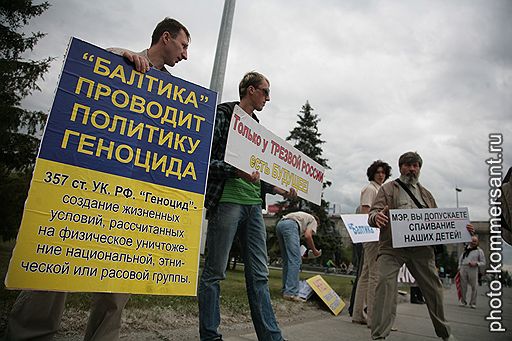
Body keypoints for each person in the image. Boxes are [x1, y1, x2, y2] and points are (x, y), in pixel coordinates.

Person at [4, 17, 190, 341]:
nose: (186, 55)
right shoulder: (120, 60)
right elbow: (87, 74)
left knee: (118, 281)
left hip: (133, 195)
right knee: (55, 263)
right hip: (89, 187)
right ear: (166, 38)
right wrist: (115, 54)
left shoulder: (174, 94)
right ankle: (27, 333)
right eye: (184, 45)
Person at [198, 71, 295, 341]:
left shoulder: (257, 127)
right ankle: (210, 336)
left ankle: (271, 337)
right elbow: (203, 157)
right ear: (250, 90)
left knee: (261, 275)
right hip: (227, 201)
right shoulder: (224, 114)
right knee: (214, 272)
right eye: (265, 91)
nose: (268, 97)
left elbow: (257, 172)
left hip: (254, 206)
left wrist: (276, 188)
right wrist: (234, 171)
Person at [368, 151, 475, 340]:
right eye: (407, 165)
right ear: (401, 167)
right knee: (384, 285)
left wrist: (463, 228)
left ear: (419, 169)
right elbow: (372, 214)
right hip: (392, 248)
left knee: (434, 289)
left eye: (415, 165)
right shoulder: (387, 189)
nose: (411, 169)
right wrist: (377, 217)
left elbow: (439, 223)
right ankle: (379, 335)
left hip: (421, 250)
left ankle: (445, 333)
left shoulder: (426, 195)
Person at [352, 160, 391, 326]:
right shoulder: (370, 189)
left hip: (373, 234)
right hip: (372, 234)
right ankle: (374, 318)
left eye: (383, 172)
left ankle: (358, 314)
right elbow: (366, 213)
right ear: (372, 174)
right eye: (378, 172)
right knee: (374, 274)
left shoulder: (378, 189)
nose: (381, 174)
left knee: (366, 274)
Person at [275, 211, 321, 302]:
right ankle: (291, 293)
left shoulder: (303, 218)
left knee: (287, 260)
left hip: (280, 224)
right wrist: (315, 251)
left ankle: (285, 289)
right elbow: (308, 236)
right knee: (295, 261)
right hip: (291, 225)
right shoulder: (313, 221)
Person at [458, 235, 485, 308]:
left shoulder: (479, 251)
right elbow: (461, 258)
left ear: (477, 242)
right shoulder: (466, 249)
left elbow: (483, 262)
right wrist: (459, 267)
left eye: (475, 241)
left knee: (474, 286)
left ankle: (473, 303)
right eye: (472, 241)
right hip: (464, 267)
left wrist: (476, 263)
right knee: (463, 286)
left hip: (473, 268)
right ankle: (463, 302)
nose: (473, 242)